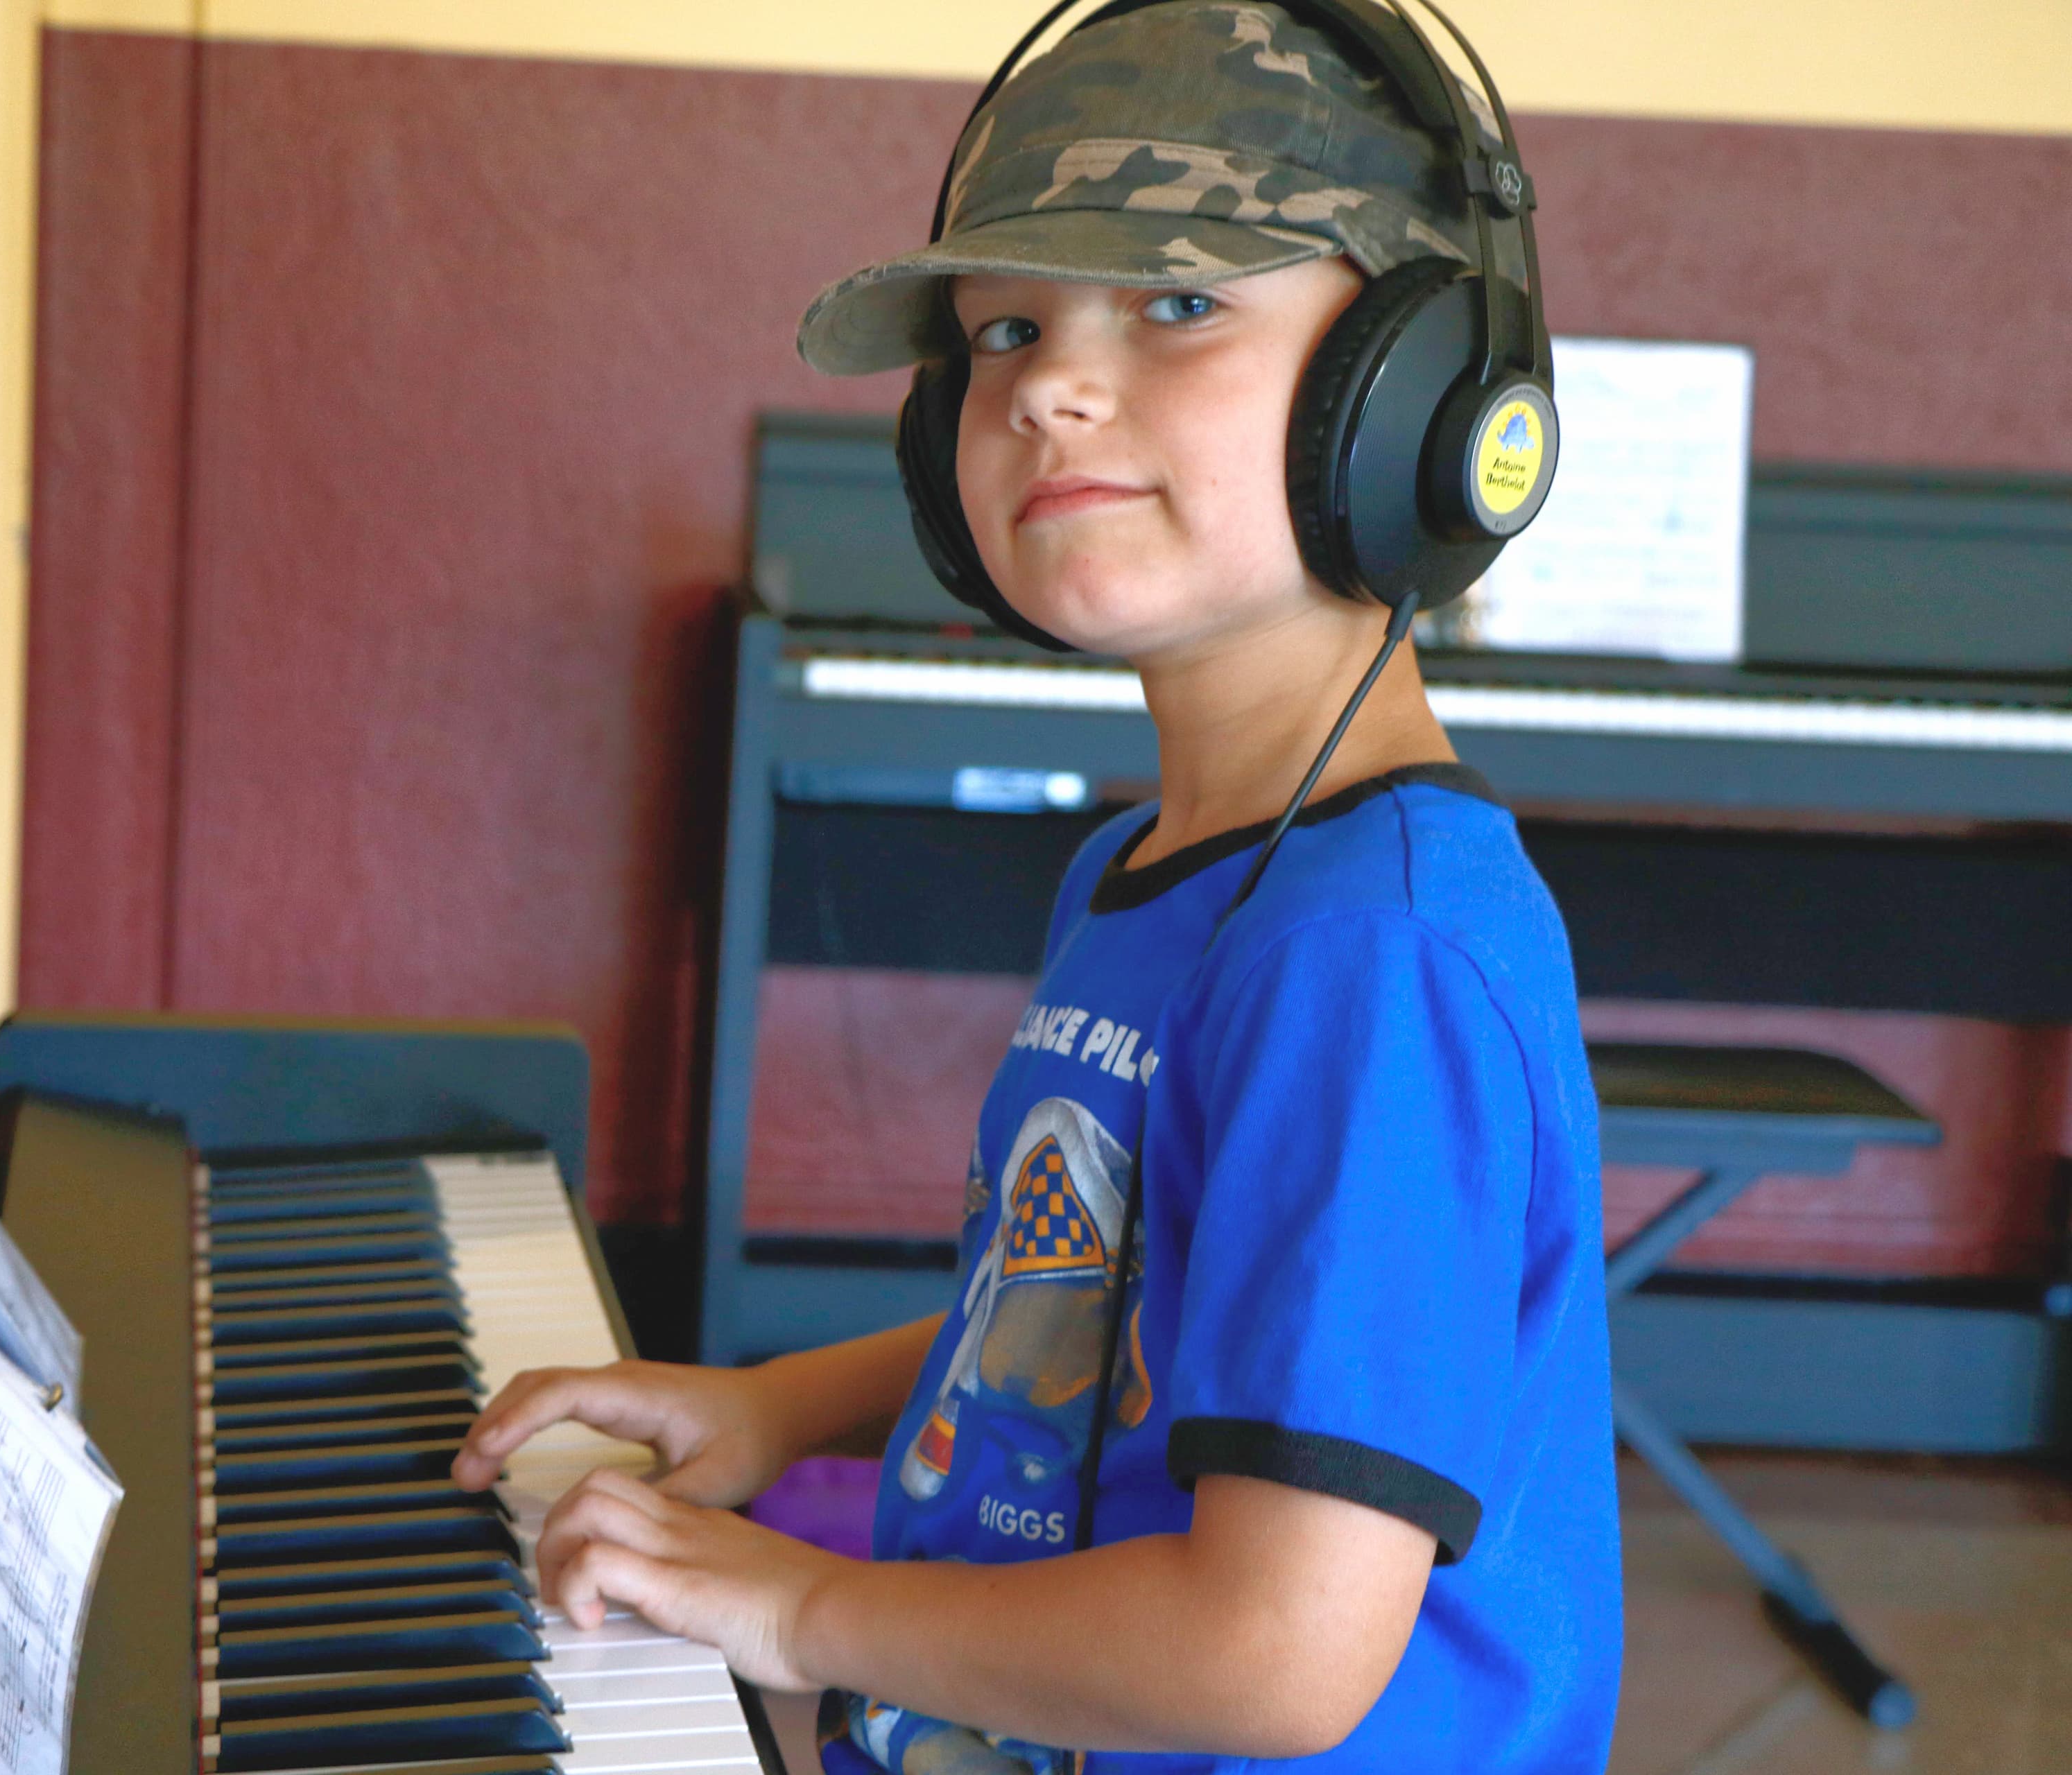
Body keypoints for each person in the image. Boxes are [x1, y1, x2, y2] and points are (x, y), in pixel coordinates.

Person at [454, 3, 1622, 1767]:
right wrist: (778, 1406)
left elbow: (1274, 1655)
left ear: (1415, 397)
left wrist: (797, 1605)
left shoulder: (1371, 954)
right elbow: (1118, 1298)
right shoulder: (1142, 868)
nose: (1047, 389)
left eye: (1179, 303)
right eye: (1005, 329)